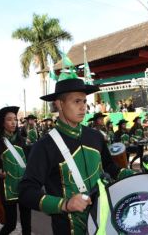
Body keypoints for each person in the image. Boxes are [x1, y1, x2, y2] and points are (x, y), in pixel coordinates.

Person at [19, 69, 134, 234]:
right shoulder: (44, 146)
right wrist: (64, 204)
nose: (83, 107)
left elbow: (109, 167)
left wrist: (131, 174)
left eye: (85, 101)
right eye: (76, 101)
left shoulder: (95, 136)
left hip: (104, 222)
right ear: (59, 104)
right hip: (67, 228)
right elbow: (26, 191)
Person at [0, 106, 31, 235]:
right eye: (9, 120)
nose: (14, 122)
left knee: (27, 225)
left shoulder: (23, 141)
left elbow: (30, 163)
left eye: (15, 119)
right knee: (11, 224)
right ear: (3, 123)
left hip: (24, 187)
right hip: (8, 189)